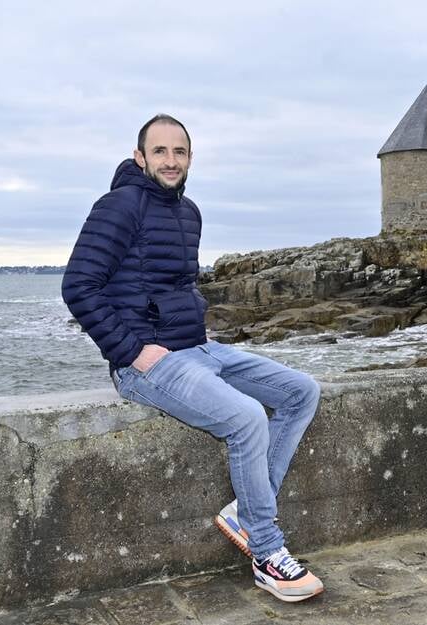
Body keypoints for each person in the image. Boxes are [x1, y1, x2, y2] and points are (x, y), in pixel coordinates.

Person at [61, 114, 324, 603]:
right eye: (159, 152)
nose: (170, 161)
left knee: (300, 391)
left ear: (190, 159)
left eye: (179, 152)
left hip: (198, 348)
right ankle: (266, 551)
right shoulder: (118, 207)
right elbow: (78, 286)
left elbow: (177, 286)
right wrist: (132, 352)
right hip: (146, 364)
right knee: (246, 418)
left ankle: (247, 510)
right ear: (140, 158)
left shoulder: (190, 213)